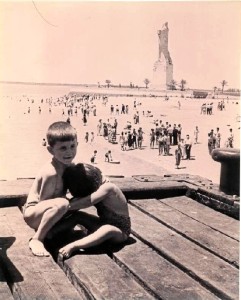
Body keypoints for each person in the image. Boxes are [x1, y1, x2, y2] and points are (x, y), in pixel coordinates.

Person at [23, 122, 78, 257]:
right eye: (63, 148)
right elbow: (44, 202)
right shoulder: (51, 172)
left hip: (53, 210)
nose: (69, 152)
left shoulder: (70, 166)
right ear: (50, 150)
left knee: (79, 208)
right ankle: (37, 239)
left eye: (72, 146)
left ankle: (53, 231)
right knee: (63, 203)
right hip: (35, 215)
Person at [59, 163, 131, 258]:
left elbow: (88, 201)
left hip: (120, 232)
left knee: (107, 230)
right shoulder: (95, 182)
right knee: (78, 216)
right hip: (102, 223)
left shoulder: (108, 187)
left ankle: (74, 246)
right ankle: (53, 233)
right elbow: (79, 199)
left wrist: (64, 207)